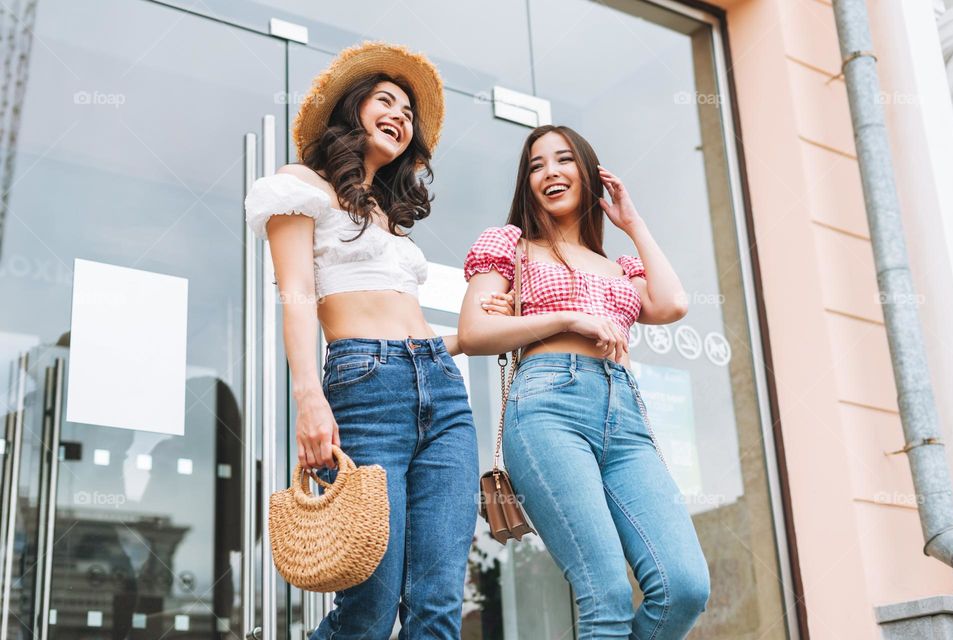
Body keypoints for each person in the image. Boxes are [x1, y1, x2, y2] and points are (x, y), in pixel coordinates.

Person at [244, 41, 510, 639]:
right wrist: (309, 398)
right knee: (369, 607)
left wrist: (463, 341)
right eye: (384, 101)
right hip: (365, 388)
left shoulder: (388, 218)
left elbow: (403, 324)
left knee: (438, 604)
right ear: (352, 110)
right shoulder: (300, 187)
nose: (399, 115)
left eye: (408, 112)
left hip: (442, 389)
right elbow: (297, 298)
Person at [459, 124, 711, 638]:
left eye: (563, 160)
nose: (549, 172)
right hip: (548, 405)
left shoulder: (617, 266)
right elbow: (476, 331)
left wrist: (633, 222)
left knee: (684, 586)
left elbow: (672, 303)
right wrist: (566, 319)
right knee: (607, 595)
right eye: (536, 165)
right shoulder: (511, 246)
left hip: (625, 417)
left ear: (588, 173)